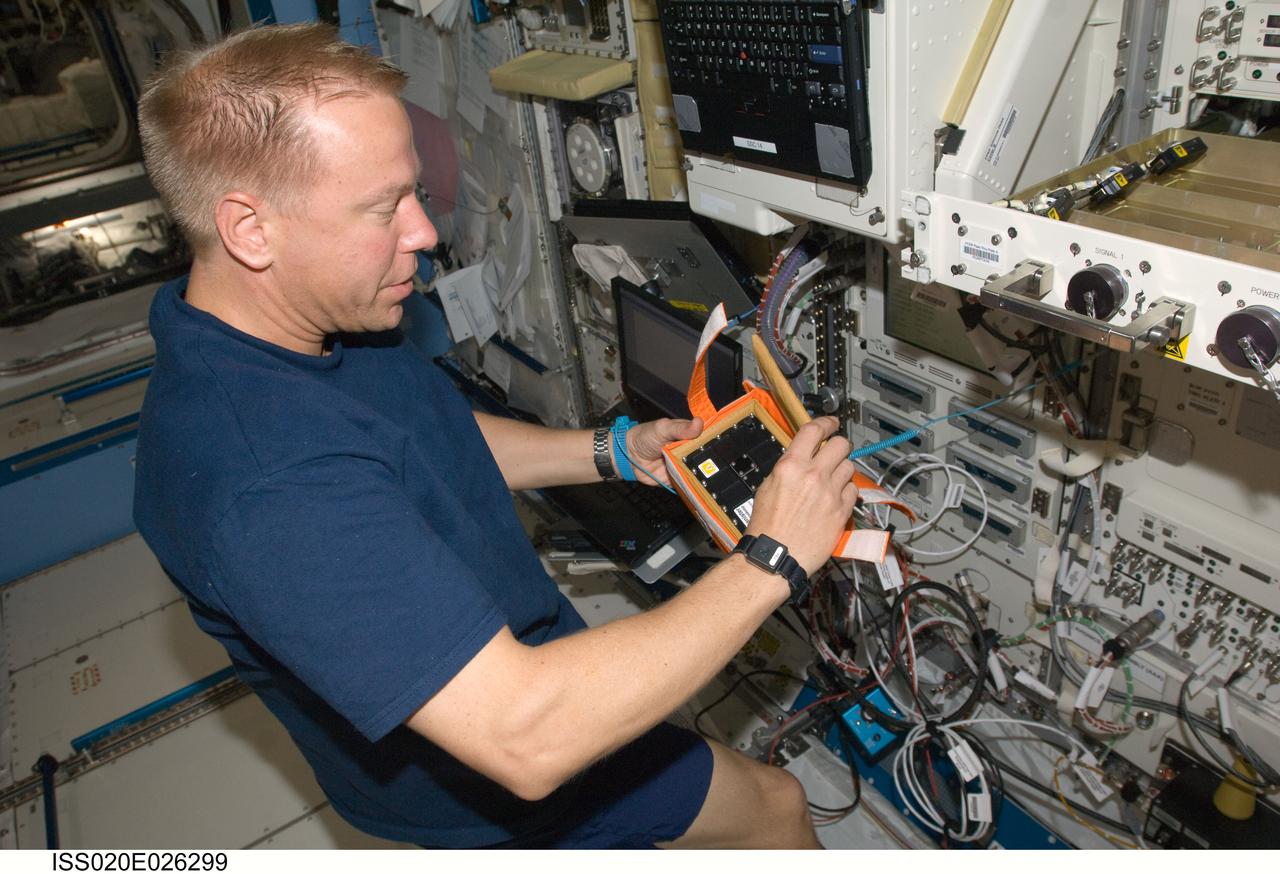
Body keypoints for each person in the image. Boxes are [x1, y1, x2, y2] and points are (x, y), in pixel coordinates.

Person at [132, 22, 859, 849]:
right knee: (774, 808)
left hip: (523, 672)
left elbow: (430, 440)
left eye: (413, 191)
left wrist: (612, 452)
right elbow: (528, 737)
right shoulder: (268, 486)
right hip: (487, 791)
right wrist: (772, 558)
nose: (424, 233)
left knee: (771, 805)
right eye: (383, 208)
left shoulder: (304, 323)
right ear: (249, 229)